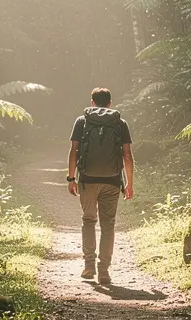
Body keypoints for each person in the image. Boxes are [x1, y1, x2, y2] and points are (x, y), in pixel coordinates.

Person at [66, 87, 134, 285]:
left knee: (88, 221)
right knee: (108, 225)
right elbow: (127, 155)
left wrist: (71, 178)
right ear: (110, 103)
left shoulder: (82, 121)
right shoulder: (120, 123)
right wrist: (129, 183)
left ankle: (89, 266)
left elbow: (74, 151)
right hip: (112, 182)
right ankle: (104, 271)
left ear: (92, 103)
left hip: (87, 180)